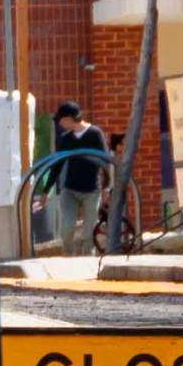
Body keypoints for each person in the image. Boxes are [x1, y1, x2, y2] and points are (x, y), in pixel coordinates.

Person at [42, 98, 113, 252]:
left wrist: (107, 187)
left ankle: (88, 264)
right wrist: (46, 191)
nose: (59, 124)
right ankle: (67, 261)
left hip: (91, 191)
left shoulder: (95, 134)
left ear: (68, 119)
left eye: (60, 120)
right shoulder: (66, 139)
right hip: (70, 190)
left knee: (89, 234)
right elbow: (57, 165)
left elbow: (106, 162)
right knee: (67, 229)